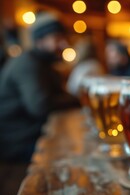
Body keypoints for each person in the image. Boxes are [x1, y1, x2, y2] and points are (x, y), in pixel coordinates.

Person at [0, 11, 79, 163]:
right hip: (17, 142)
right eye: (57, 37)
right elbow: (40, 106)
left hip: (29, 133)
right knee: (71, 155)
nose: (63, 43)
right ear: (40, 40)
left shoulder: (43, 63)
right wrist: (76, 100)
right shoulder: (28, 64)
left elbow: (56, 96)